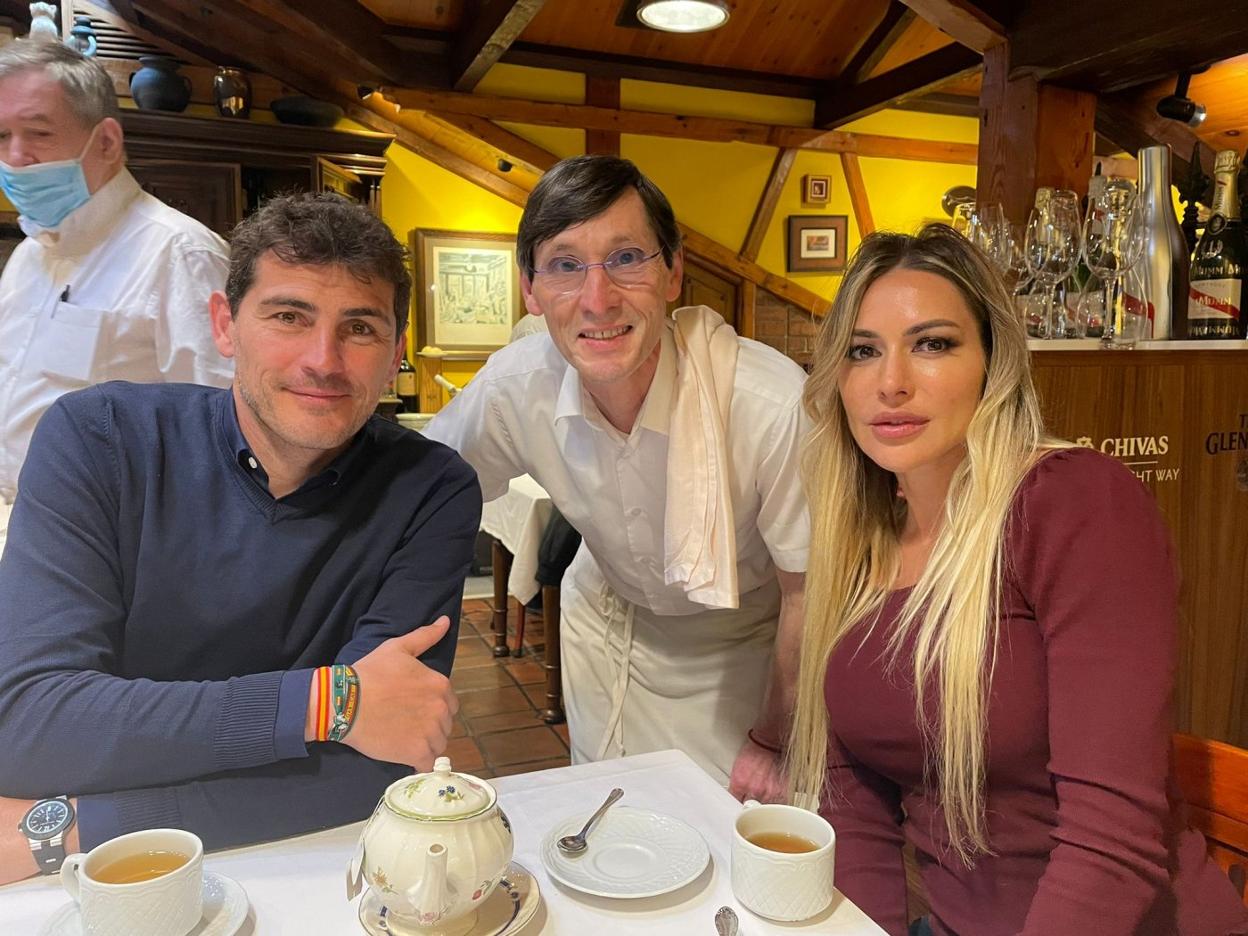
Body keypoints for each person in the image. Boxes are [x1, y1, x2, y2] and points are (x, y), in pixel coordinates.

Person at [0, 193, 481, 885]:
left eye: (361, 327)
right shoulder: (98, 440)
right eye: (288, 316)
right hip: (101, 889)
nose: (324, 359)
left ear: (394, 353)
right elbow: (31, 730)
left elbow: (373, 770)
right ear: (225, 325)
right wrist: (330, 703)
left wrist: (70, 825)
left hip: (303, 872)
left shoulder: (430, 489)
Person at [787, 224, 1248, 935]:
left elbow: (1111, 840)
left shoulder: (1073, 502)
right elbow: (852, 802)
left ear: (994, 363)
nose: (892, 382)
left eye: (933, 344)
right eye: (862, 351)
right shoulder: (861, 533)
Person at [425, 155, 808, 798]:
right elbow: (420, 497)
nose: (597, 300)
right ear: (530, 288)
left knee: (739, 843)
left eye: (627, 257)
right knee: (611, 827)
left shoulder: (768, 405)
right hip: (608, 630)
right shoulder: (518, 387)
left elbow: (810, 596)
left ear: (673, 271)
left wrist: (774, 737)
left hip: (750, 649)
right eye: (566, 265)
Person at [0, 40, 232, 525]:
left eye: (37, 133)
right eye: (1, 137)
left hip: (110, 546)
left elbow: (224, 434)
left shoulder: (178, 253)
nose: (15, 158)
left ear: (106, 141)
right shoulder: (27, 259)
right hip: (17, 526)